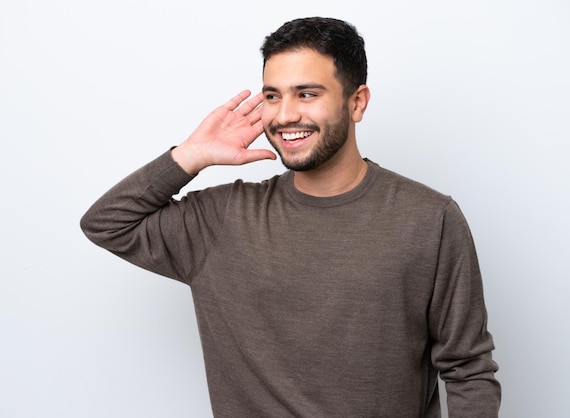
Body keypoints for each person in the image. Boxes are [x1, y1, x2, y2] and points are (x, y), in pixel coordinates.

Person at [81, 16, 501, 417]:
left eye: (307, 94)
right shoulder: (223, 218)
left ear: (357, 102)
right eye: (272, 96)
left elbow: (469, 369)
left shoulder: (429, 219)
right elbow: (107, 223)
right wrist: (190, 156)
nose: (284, 116)